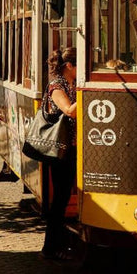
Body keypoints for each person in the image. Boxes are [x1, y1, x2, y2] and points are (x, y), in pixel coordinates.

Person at [40, 47, 77, 261]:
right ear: (69, 66)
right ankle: (50, 247)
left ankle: (57, 243)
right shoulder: (56, 86)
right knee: (60, 199)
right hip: (60, 151)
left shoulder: (70, 84)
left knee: (63, 198)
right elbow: (69, 110)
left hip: (70, 149)